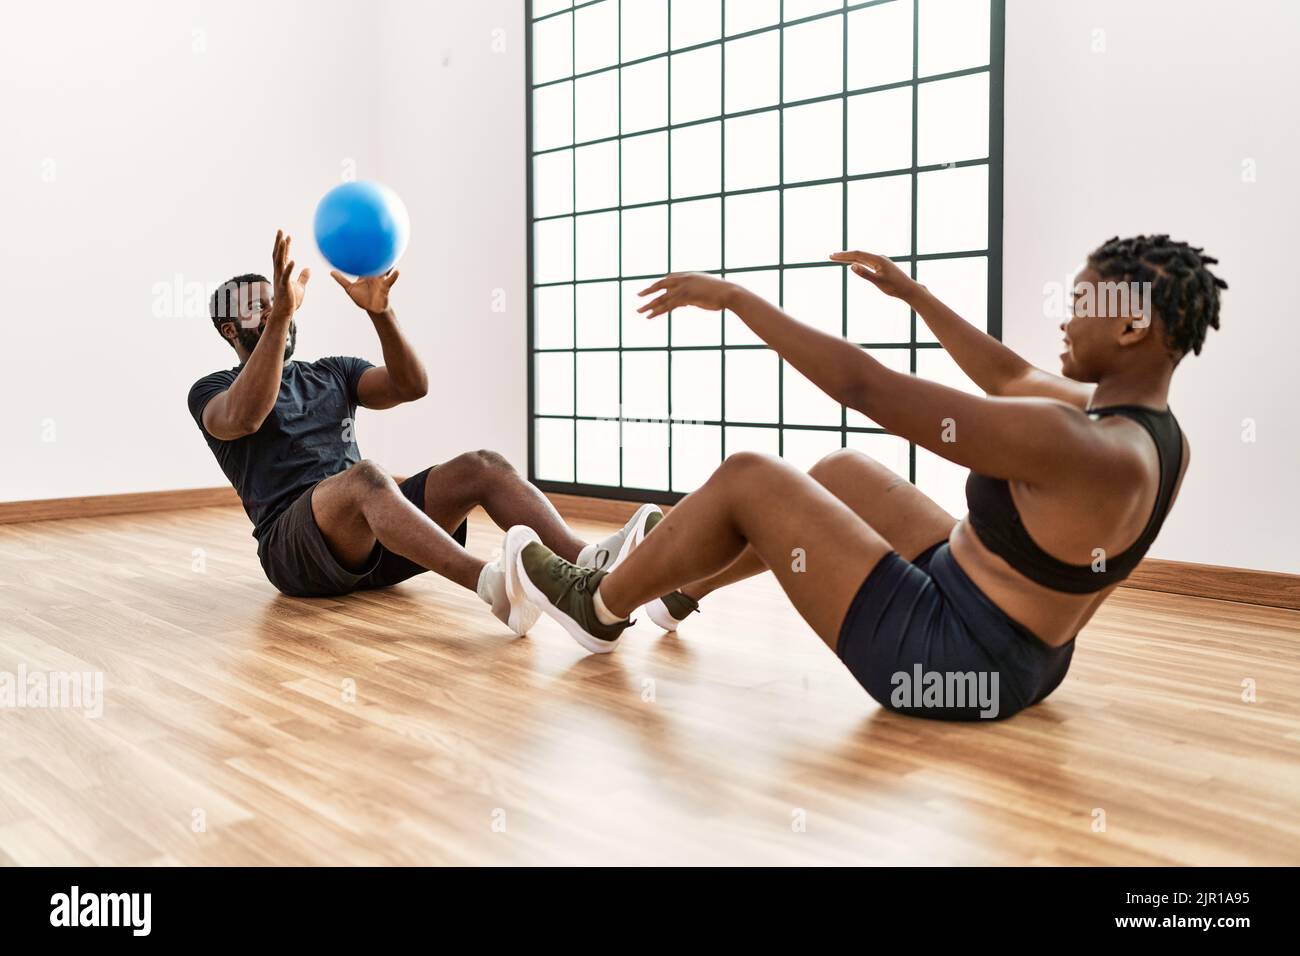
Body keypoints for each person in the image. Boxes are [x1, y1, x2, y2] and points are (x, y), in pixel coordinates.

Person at [510, 235, 1227, 720]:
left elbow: (864, 386)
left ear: (1131, 327)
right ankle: (680, 588)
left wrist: (735, 299)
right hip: (1026, 653)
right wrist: (915, 295)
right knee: (841, 472)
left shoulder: (1077, 443)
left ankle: (596, 605)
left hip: (954, 661)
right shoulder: (1153, 436)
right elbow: (1009, 374)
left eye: (1080, 306)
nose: (1065, 322)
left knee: (750, 477)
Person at [188, 230, 660, 634]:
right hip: (298, 555)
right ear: (230, 330)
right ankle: (497, 587)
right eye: (259, 308)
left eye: (278, 301)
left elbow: (410, 385)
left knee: (482, 465)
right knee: (368, 477)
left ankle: (588, 559)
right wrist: (281, 317)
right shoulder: (212, 390)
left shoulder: (331, 372)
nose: (277, 310)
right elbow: (246, 417)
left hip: (377, 542)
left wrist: (380, 312)